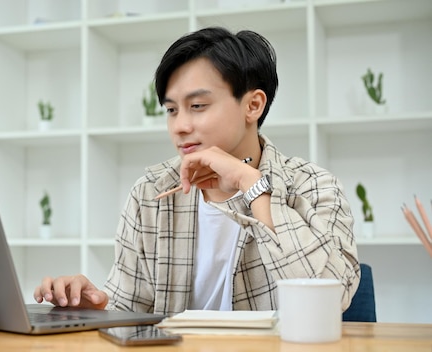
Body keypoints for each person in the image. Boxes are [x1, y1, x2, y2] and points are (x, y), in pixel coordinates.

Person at [34, 26, 360, 315]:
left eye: (197, 106)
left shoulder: (313, 186)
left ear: (253, 105)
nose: (180, 126)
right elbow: (129, 309)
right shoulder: (151, 192)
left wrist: (251, 183)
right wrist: (97, 308)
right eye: (172, 110)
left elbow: (332, 298)